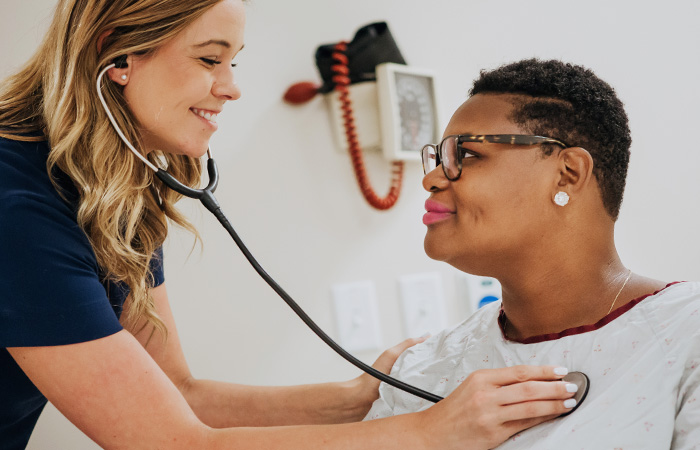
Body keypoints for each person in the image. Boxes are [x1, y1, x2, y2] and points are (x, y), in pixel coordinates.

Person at [0, 1, 582, 449]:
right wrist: (431, 433)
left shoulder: (111, 196)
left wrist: (360, 398)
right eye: (209, 59)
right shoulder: (18, 206)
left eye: (234, 62)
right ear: (118, 55)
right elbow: (166, 441)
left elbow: (181, 393)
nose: (231, 87)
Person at [364, 58, 700, 448]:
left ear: (568, 173)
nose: (432, 177)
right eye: (439, 157)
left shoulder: (687, 334)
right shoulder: (423, 368)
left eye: (467, 154)